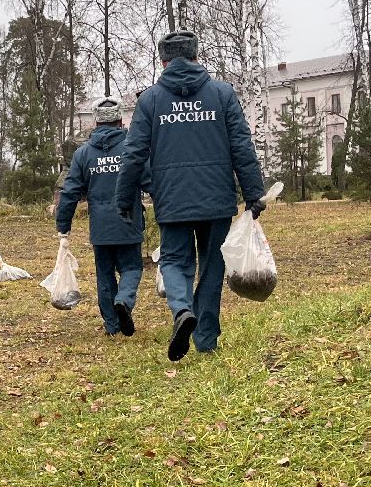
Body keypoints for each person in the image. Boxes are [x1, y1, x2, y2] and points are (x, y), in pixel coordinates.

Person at [115, 30, 267, 361]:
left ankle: (182, 309)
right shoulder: (222, 94)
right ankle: (206, 337)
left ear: (163, 61)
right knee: (213, 267)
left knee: (174, 260)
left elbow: (134, 154)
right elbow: (241, 144)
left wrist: (124, 199)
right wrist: (254, 192)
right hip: (217, 200)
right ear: (197, 57)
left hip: (172, 199)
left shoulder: (151, 100)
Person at [54, 95, 146, 336]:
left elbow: (70, 191)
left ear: (95, 123)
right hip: (129, 222)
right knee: (132, 268)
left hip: (101, 227)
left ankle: (112, 325)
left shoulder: (83, 155)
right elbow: (150, 180)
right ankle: (124, 300)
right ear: (120, 121)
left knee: (104, 276)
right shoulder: (131, 149)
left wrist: (63, 227)